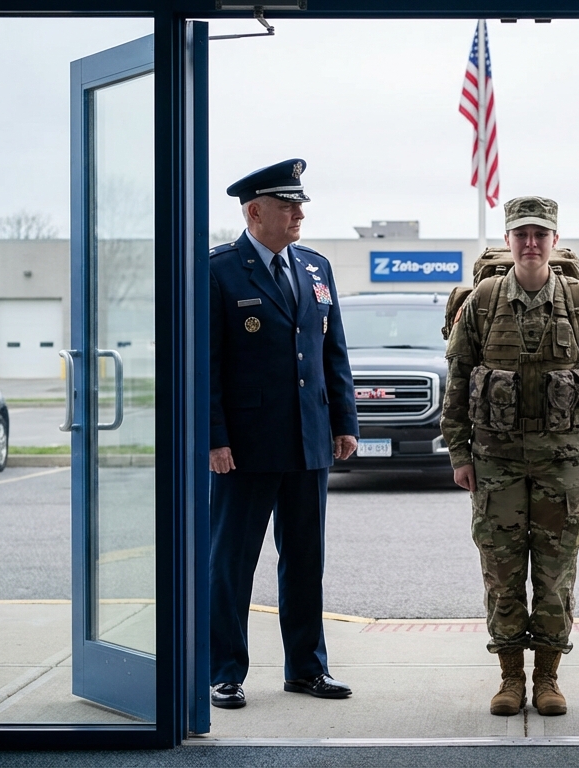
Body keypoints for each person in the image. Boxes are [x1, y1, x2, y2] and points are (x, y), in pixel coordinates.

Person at [441, 196, 579, 717]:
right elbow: (457, 381)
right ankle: (510, 678)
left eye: (541, 234)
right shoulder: (484, 300)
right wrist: (458, 452)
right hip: (495, 462)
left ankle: (548, 678)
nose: (531, 243)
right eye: (522, 234)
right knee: (501, 569)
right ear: (509, 239)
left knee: (556, 572)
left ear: (554, 239)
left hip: (562, 462)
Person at [207, 158, 360, 709]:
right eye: (287, 205)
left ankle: (306, 668)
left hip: (308, 441)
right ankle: (222, 671)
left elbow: (332, 352)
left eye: (299, 204)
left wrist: (344, 422)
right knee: (231, 562)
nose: (299, 213)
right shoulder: (219, 270)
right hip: (244, 448)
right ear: (255, 212)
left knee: (304, 560)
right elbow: (207, 366)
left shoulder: (315, 268)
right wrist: (213, 438)